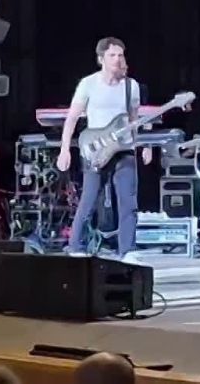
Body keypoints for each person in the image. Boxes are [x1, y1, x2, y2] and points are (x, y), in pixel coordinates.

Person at [57, 37, 152, 262]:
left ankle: (127, 250)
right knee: (89, 199)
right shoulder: (88, 84)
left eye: (120, 55)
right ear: (101, 59)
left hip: (124, 149)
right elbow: (72, 118)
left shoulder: (131, 86)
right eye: (112, 55)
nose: (117, 59)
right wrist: (65, 149)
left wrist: (145, 145)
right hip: (96, 149)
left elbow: (134, 120)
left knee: (128, 202)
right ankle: (75, 246)